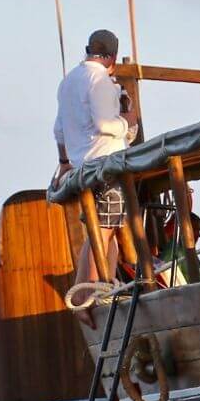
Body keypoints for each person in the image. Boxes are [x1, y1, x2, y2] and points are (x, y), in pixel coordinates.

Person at [52, 29, 136, 286]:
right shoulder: (99, 80)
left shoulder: (68, 82)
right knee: (104, 230)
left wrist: (64, 163)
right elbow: (104, 124)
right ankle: (85, 290)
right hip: (105, 164)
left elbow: (59, 129)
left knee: (104, 230)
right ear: (112, 57)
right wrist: (128, 120)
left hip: (81, 167)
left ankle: (105, 284)